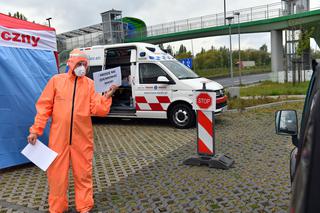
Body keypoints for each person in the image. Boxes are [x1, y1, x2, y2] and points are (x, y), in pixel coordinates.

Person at [27, 49, 117, 213]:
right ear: (70, 64)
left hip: (82, 139)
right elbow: (44, 107)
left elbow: (98, 109)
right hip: (58, 140)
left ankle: (84, 206)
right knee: (57, 177)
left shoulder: (90, 84)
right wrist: (35, 131)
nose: (82, 67)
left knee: (83, 175)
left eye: (84, 64)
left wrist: (107, 96)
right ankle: (57, 208)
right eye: (79, 64)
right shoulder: (56, 81)